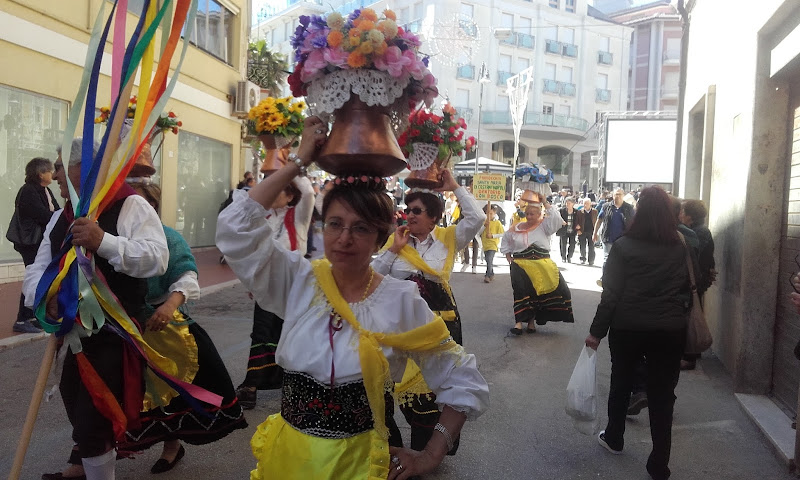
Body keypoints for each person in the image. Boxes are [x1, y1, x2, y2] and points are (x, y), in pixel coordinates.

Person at [216, 117, 489, 480]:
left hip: (362, 463)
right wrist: (298, 161)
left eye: (360, 228)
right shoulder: (297, 279)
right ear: (322, 226)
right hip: (289, 458)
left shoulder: (400, 299)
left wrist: (430, 455)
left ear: (381, 238)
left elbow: (462, 377)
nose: (344, 238)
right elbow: (235, 227)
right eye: (335, 224)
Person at [47, 182, 248, 479]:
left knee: (166, 396)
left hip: (160, 328)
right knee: (107, 400)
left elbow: (187, 277)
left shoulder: (167, 238)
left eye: (141, 204)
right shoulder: (105, 234)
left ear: (151, 208)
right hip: (124, 329)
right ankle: (84, 458)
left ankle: (171, 446)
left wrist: (168, 307)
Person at [24, 138, 169, 480]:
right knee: (77, 408)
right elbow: (38, 267)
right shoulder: (61, 215)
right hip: (72, 336)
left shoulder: (131, 205)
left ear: (83, 167)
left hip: (114, 335)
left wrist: (103, 241)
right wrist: (44, 298)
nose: (56, 174)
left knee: (95, 422)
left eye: (61, 166)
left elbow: (157, 258)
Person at [585, 186, 694, 480]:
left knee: (621, 381)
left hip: (628, 326)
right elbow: (688, 287)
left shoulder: (623, 246)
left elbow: (611, 295)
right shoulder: (681, 245)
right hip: (669, 330)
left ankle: (615, 438)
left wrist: (596, 332)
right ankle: (659, 464)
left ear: (639, 213)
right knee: (662, 394)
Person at [372, 172, 484, 452]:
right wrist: (392, 250)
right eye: (408, 210)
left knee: (430, 390)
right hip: (398, 325)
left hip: (438, 323)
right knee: (386, 385)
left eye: (417, 211)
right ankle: (389, 448)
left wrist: (455, 188)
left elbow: (477, 219)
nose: (409, 215)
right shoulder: (397, 240)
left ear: (433, 217)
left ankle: (426, 451)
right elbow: (371, 276)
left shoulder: (448, 238)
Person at [234, 173, 315, 409]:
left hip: (293, 286)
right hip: (266, 285)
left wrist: (292, 164)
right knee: (261, 334)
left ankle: (295, 384)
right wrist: (252, 282)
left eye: (278, 189)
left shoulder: (299, 215)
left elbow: (308, 192)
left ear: (290, 195)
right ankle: (251, 386)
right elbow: (254, 253)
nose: (270, 194)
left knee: (290, 334)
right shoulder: (265, 217)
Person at [501, 192, 573, 335]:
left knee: (537, 293)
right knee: (521, 292)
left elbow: (557, 220)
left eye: (532, 214)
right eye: (527, 214)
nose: (528, 217)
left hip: (541, 265)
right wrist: (508, 255)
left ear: (539, 214)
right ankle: (518, 324)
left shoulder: (544, 227)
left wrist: (545, 201)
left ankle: (531, 322)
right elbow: (506, 240)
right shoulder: (516, 228)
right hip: (520, 265)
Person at [9, 157, 60, 333]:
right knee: (33, 274)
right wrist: (57, 219)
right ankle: (22, 319)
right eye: (50, 171)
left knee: (39, 275)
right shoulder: (29, 191)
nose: (53, 175)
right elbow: (44, 216)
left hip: (39, 241)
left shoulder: (45, 190)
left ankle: (33, 315)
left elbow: (57, 214)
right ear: (40, 174)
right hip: (30, 243)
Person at [679, 199, 716, 370]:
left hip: (696, 280)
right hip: (698, 279)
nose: (680, 214)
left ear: (689, 216)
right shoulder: (699, 230)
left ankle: (689, 356)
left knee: (692, 317)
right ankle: (693, 351)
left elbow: (697, 258)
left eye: (683, 211)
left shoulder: (698, 233)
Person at [593, 188, 635, 280]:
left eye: (620, 194)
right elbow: (599, 220)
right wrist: (594, 233)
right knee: (607, 259)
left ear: (623, 196)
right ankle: (604, 279)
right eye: (616, 194)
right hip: (608, 237)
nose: (618, 196)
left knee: (621, 261)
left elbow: (633, 222)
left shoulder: (628, 208)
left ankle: (618, 280)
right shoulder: (606, 206)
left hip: (623, 239)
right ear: (613, 195)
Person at [481, 204, 505, 283]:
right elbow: (478, 232)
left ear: (494, 213)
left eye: (491, 213)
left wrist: (493, 236)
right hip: (485, 244)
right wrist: (484, 226)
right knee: (487, 260)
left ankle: (487, 276)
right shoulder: (483, 222)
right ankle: (492, 273)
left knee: (489, 259)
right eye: (487, 213)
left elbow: (502, 233)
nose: (489, 215)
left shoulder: (497, 223)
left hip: (493, 244)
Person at [557, 196, 579, 263]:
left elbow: (578, 220)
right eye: (566, 203)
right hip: (564, 230)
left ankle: (569, 257)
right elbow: (557, 218)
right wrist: (561, 222)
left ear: (573, 204)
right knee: (563, 244)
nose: (567, 204)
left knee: (572, 244)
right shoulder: (562, 211)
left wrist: (578, 225)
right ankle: (563, 257)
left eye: (569, 203)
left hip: (572, 230)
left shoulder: (576, 211)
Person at [577, 199, 598, 266]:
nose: (585, 205)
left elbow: (597, 221)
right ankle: (582, 258)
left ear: (590, 204)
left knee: (591, 246)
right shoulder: (580, 212)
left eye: (587, 203)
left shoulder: (594, 211)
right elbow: (577, 221)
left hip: (591, 231)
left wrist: (596, 231)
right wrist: (578, 230)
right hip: (582, 231)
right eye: (584, 203)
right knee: (582, 246)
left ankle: (591, 260)